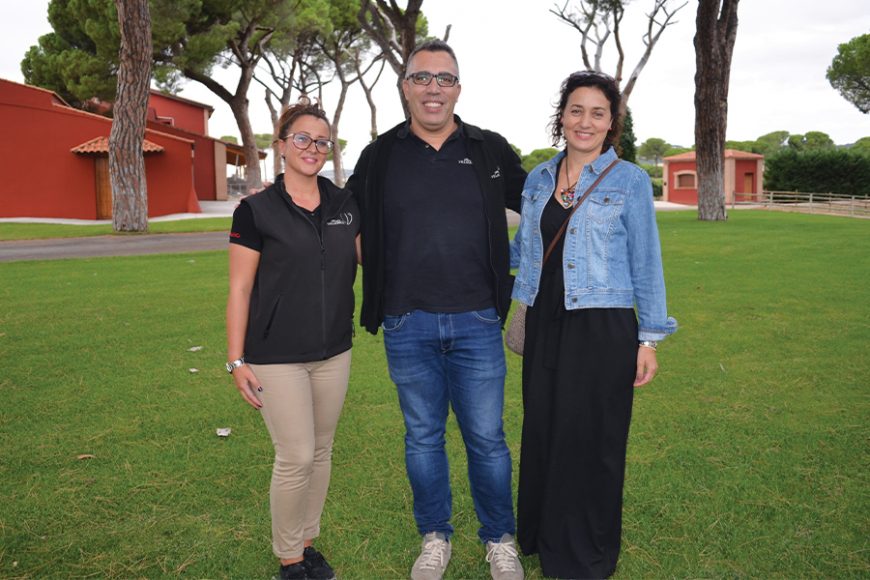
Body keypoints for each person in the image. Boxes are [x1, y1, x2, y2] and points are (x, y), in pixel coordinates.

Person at [345, 40, 526, 580]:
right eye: (422, 78)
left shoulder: (489, 149)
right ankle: (435, 537)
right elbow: (343, 219)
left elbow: (541, 203)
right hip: (406, 321)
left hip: (476, 320)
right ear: (405, 86)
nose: (433, 88)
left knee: (487, 439)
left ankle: (499, 540)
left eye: (444, 79)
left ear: (458, 89)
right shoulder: (378, 155)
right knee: (422, 437)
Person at [510, 71, 677, 578]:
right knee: (545, 430)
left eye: (597, 113)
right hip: (544, 321)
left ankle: (587, 552)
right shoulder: (538, 177)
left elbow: (646, 260)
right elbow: (523, 251)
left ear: (611, 124)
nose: (586, 121)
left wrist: (649, 337)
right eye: (576, 110)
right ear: (561, 116)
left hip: (603, 327)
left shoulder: (628, 180)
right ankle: (542, 536)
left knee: (595, 439)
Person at [225, 100, 360, 580]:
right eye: (301, 138)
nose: (312, 148)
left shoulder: (345, 203)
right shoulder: (256, 209)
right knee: (296, 454)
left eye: (321, 141)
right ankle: (289, 558)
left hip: (333, 352)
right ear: (281, 146)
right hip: (276, 356)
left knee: (321, 450)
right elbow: (240, 288)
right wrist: (236, 360)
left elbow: (373, 257)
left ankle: (306, 541)